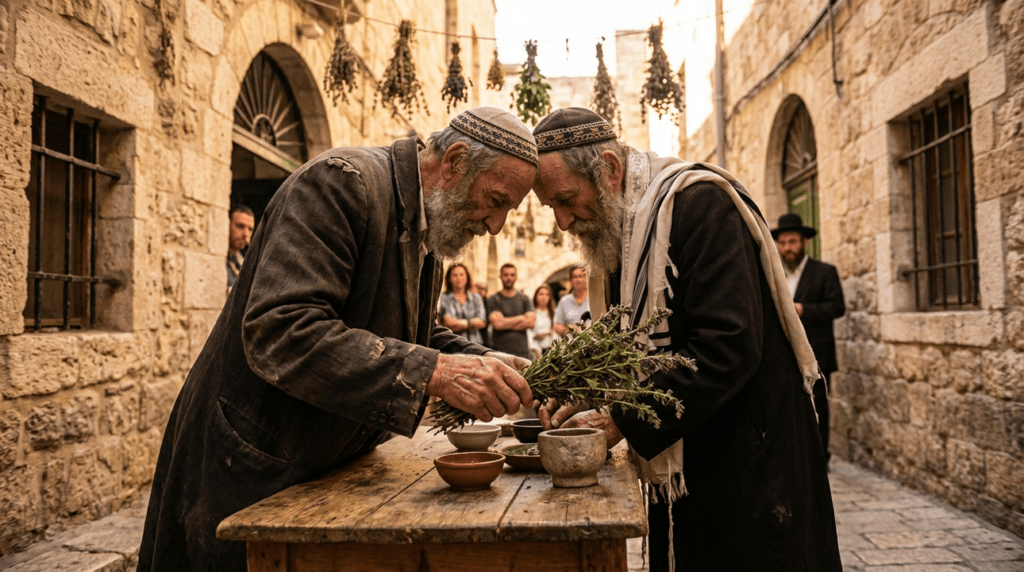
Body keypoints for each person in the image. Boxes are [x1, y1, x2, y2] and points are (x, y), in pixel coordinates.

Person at [138, 107, 541, 571]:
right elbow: (282, 328)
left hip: (319, 464)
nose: (495, 225)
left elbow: (411, 332)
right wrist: (434, 371)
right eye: (496, 200)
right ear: (453, 161)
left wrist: (485, 359)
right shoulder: (340, 183)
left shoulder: (427, 222)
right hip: (252, 464)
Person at [530, 108, 841, 571]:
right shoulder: (627, 233)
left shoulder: (698, 206)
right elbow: (631, 346)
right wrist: (585, 393)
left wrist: (621, 421)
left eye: (566, 199)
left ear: (610, 172)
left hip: (745, 459)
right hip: (688, 454)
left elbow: (726, 346)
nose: (561, 221)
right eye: (550, 206)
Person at [773, 212, 845, 464]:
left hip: (818, 352)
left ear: (804, 242)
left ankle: (819, 459)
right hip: (784, 353)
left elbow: (837, 307)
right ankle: (793, 458)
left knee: (819, 408)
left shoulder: (824, 272)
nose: (787, 248)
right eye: (782, 243)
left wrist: (803, 310)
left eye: (792, 242)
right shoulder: (774, 274)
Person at [485, 263, 535, 360]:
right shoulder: (493, 299)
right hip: (500, 353)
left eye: (512, 275)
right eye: (506, 275)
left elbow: (530, 323)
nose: (509, 278)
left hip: (522, 352)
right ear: (500, 276)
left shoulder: (524, 298)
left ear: (516, 277)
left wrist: (505, 322)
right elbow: (497, 324)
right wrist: (521, 318)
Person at [437, 263, 488, 345]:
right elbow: (448, 322)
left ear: (467, 277)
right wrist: (471, 324)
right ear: (449, 278)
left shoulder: (476, 298)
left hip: (476, 345)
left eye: (461, 274)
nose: (459, 278)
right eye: (455, 275)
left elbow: (482, 322)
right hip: (452, 344)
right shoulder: (444, 298)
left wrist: (458, 324)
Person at [553, 265, 590, 336]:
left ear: (586, 278)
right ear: (570, 281)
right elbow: (557, 326)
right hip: (571, 343)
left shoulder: (593, 299)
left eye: (580, 276)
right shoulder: (564, 301)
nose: (578, 279)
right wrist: (573, 330)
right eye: (575, 277)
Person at [226, 204, 254, 293]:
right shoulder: (216, 259)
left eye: (250, 229)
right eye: (240, 226)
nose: (246, 234)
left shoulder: (247, 261)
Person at [528, 284, 557, 359]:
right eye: (541, 294)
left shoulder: (554, 314)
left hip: (551, 351)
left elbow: (556, 333)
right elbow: (529, 334)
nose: (544, 297)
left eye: (547, 295)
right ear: (536, 297)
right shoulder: (531, 314)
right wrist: (536, 352)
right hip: (535, 352)